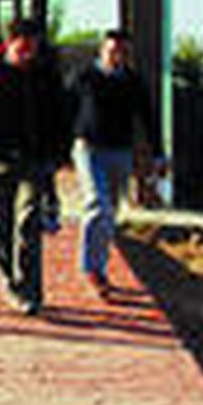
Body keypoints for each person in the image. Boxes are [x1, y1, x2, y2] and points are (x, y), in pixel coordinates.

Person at [0, 19, 71, 315]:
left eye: (32, 48)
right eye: (22, 47)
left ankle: (31, 291)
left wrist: (59, 156)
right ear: (9, 43)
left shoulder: (46, 74)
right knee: (0, 227)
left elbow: (60, 116)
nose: (27, 53)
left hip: (34, 160)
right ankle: (9, 280)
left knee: (28, 222)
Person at [70, 29, 166, 295]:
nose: (116, 56)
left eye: (122, 52)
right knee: (97, 204)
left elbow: (149, 119)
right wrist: (57, 149)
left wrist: (158, 154)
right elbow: (65, 110)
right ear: (102, 50)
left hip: (120, 152)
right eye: (112, 51)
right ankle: (91, 269)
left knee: (110, 211)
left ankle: (99, 266)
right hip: (88, 149)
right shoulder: (84, 77)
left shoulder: (134, 82)